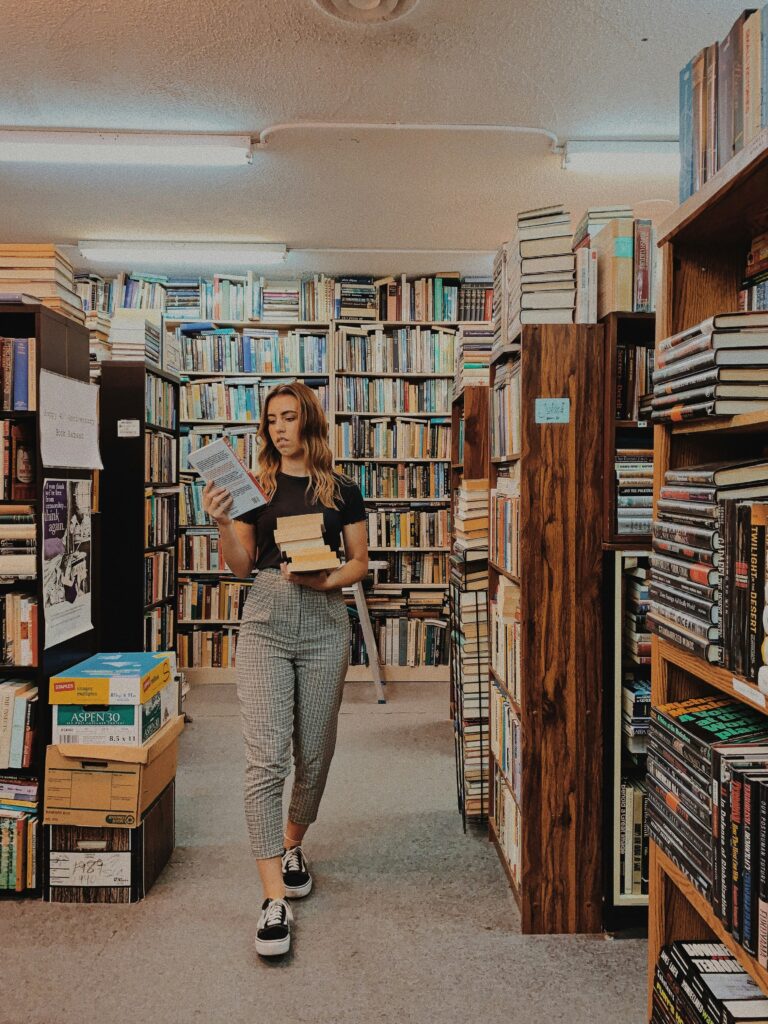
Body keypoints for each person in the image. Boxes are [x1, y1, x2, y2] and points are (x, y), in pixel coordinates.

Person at [202, 381, 368, 958]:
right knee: (266, 757)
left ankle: (293, 840)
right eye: (271, 419)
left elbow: (360, 564)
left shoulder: (343, 488)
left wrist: (328, 579)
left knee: (315, 750)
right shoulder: (253, 487)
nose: (279, 428)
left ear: (309, 423)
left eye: (289, 417)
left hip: (324, 618)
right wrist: (223, 523)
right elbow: (243, 566)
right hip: (267, 619)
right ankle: (272, 898)